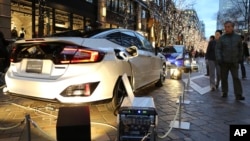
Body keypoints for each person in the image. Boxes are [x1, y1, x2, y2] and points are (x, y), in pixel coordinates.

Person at [215, 21, 245, 100]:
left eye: (228, 27)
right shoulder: (222, 38)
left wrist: (240, 58)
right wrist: (219, 59)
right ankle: (224, 92)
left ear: (232, 27)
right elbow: (218, 49)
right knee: (224, 78)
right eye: (225, 27)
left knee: (236, 78)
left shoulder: (237, 38)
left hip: (234, 62)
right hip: (224, 62)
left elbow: (241, 49)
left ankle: (238, 94)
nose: (227, 29)